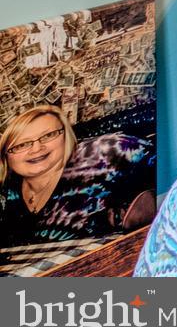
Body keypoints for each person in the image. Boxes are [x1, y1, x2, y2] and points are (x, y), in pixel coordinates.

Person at [0, 105, 155, 250]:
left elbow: (171, 174)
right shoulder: (10, 191)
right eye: (21, 145)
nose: (36, 148)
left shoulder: (106, 152)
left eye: (48, 135)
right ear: (6, 157)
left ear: (66, 136)